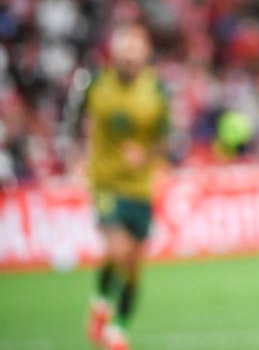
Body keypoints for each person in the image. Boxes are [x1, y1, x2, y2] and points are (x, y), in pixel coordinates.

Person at [69, 23, 170, 350]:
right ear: (114, 52)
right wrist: (77, 155)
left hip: (140, 188)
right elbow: (73, 122)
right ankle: (100, 303)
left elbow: (164, 141)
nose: (129, 55)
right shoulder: (94, 83)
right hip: (105, 183)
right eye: (124, 49)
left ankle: (119, 329)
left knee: (133, 265)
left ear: (145, 53)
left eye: (135, 49)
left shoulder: (157, 92)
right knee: (118, 249)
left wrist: (147, 155)